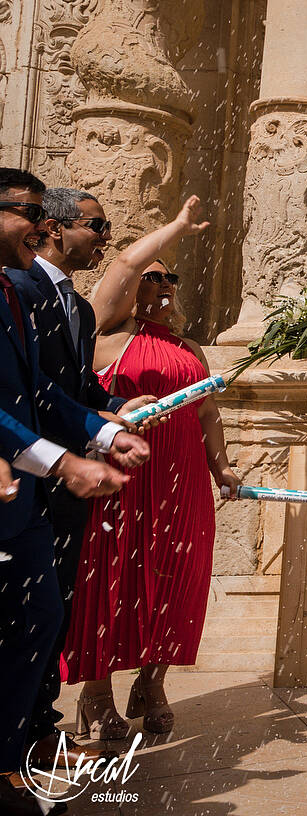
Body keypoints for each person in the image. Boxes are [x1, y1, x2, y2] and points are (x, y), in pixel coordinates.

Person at [0, 168, 148, 816]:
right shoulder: (24, 289)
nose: (41, 226)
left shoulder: (16, 296)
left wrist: (102, 428)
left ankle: (18, 755)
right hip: (25, 483)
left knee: (40, 619)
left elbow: (45, 394)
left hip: (29, 492)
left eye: (43, 213)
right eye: (28, 212)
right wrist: (63, 463)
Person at [63, 196, 239, 738]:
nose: (163, 286)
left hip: (182, 480)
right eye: (152, 276)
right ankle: (96, 696)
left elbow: (207, 412)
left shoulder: (188, 347)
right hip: (126, 475)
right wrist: (176, 229)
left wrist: (223, 469)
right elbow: (120, 266)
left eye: (172, 279)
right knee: (114, 578)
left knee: (175, 579)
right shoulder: (107, 331)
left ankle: (152, 681)